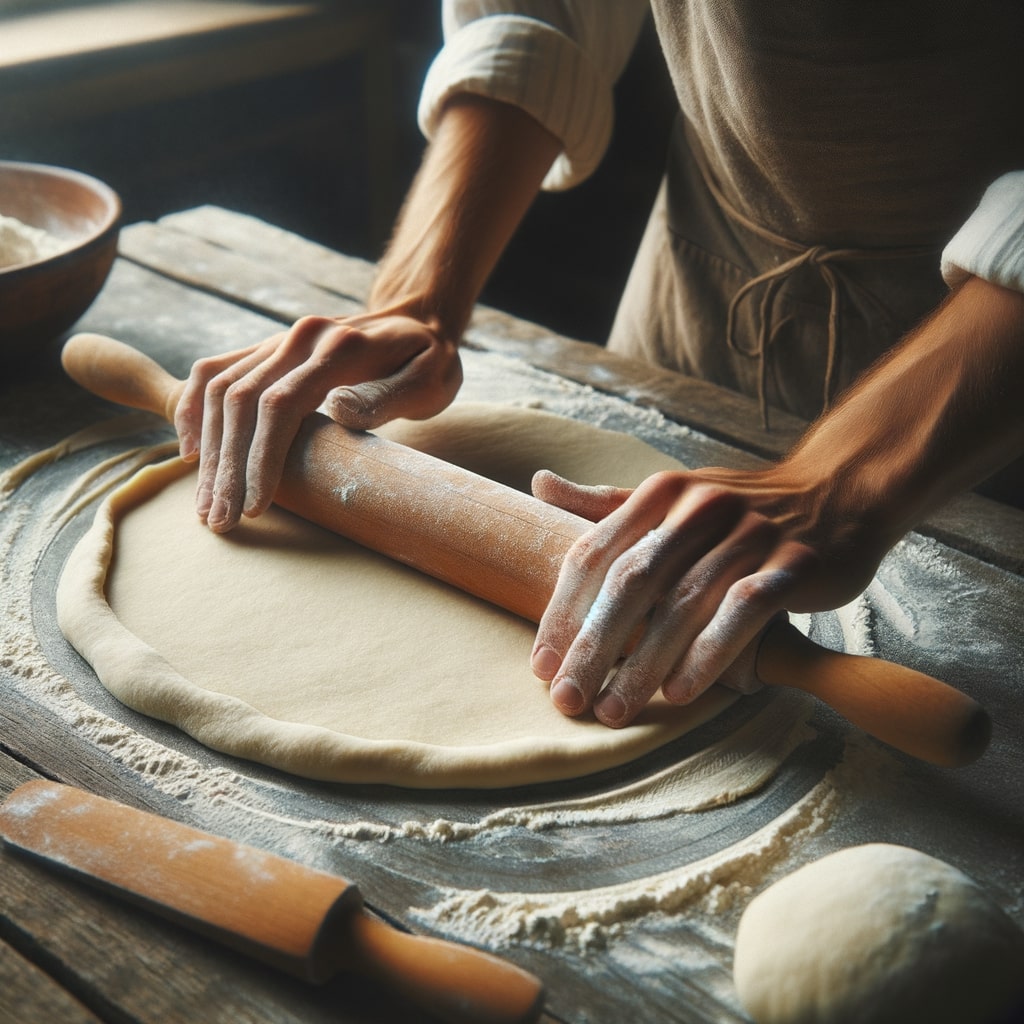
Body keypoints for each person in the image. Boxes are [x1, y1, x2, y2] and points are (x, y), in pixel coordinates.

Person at [172, 2, 1024, 729]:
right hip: (708, 282)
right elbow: (540, 10)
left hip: (984, 392)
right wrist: (414, 299)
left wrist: (847, 481)